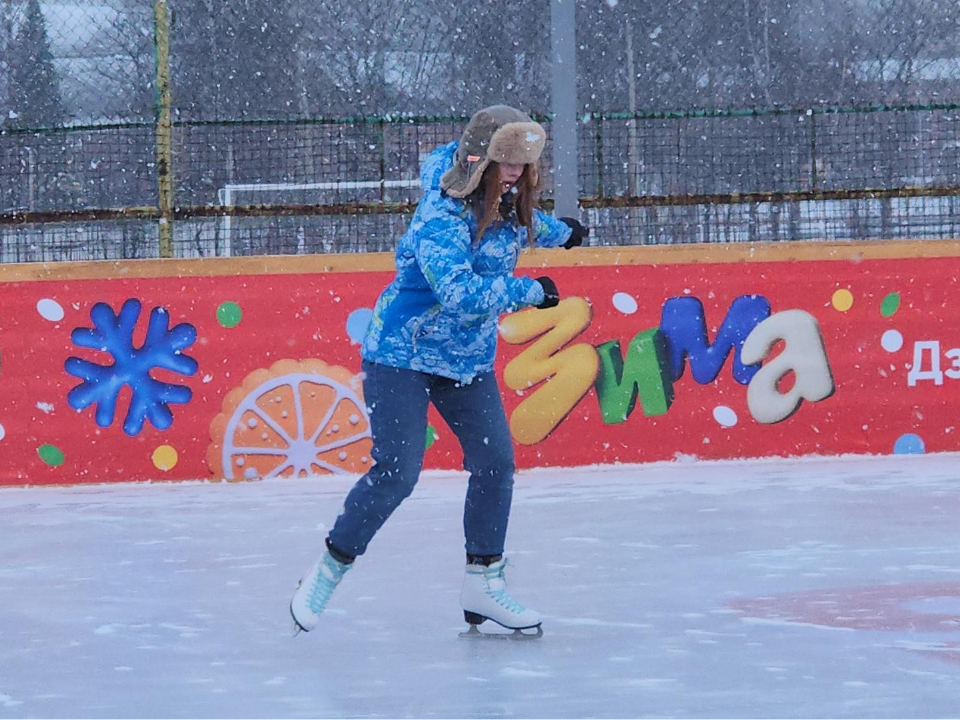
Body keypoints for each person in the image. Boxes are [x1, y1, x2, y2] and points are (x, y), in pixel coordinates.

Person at [290, 105, 588, 637]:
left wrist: (559, 231)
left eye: (523, 164)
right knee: (397, 473)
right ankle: (327, 571)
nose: (516, 173)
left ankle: (483, 582)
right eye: (505, 163)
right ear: (480, 161)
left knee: (496, 463)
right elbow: (459, 293)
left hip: (465, 361)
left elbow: (514, 223)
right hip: (401, 354)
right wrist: (532, 291)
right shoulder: (440, 216)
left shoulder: (505, 201)